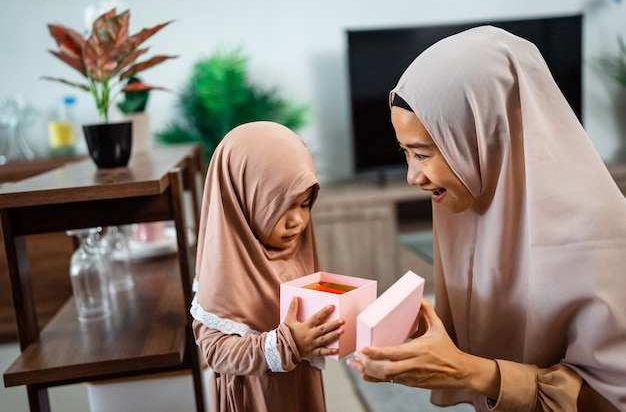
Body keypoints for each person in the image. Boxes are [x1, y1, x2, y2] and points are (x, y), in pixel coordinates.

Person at [347, 26, 626, 411]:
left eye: (423, 153)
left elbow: (611, 397)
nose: (413, 177)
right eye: (405, 153)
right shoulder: (470, 203)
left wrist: (468, 372)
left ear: (486, 134)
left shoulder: (595, 235)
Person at [191, 121, 345, 412]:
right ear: (244, 199)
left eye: (304, 205)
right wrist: (285, 345)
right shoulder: (222, 268)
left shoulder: (295, 249)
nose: (297, 221)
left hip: (300, 388)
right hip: (253, 397)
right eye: (282, 205)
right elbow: (215, 351)